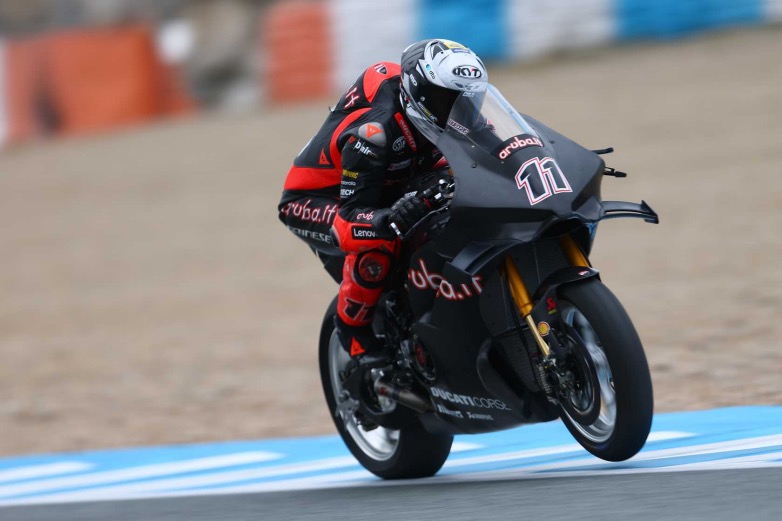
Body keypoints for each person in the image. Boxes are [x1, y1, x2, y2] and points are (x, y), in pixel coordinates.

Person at [278, 39, 488, 358]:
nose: (459, 111)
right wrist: (389, 219)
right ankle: (353, 333)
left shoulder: (445, 113)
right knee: (378, 240)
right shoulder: (375, 132)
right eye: (448, 101)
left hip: (390, 178)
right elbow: (351, 218)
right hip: (319, 199)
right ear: (419, 93)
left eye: (469, 100)